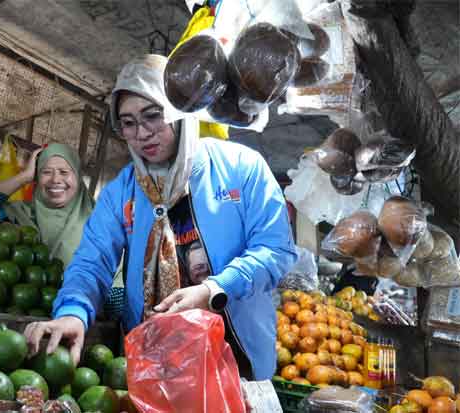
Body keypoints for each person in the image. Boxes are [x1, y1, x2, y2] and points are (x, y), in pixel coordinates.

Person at [24, 55, 297, 380]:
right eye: (128, 122)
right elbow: (91, 262)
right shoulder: (121, 192)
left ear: (181, 112)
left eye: (153, 116)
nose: (142, 133)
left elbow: (276, 250)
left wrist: (214, 290)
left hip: (237, 361)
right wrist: (72, 312)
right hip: (154, 362)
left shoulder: (240, 168)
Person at [0, 143, 94, 266]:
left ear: (77, 176)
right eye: (46, 172)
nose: (55, 179)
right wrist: (24, 177)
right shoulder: (21, 213)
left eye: (64, 172)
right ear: (36, 177)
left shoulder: (102, 222)